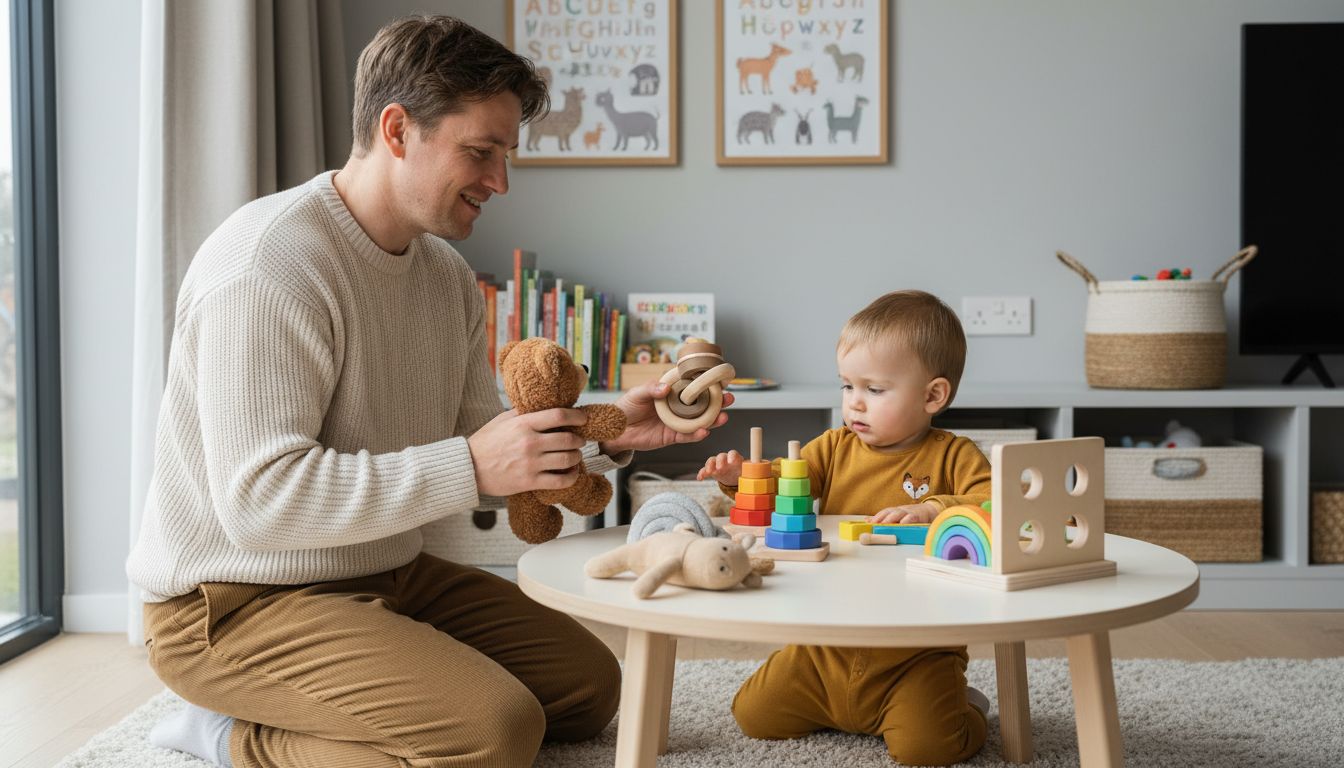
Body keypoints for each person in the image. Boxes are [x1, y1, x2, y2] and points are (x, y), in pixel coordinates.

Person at [126, 15, 730, 768]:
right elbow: (259, 503)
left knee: (587, 687)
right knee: (492, 731)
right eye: (480, 152)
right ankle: (228, 735)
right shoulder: (269, 264)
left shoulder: (444, 275)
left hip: (383, 571)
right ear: (397, 129)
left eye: (505, 156)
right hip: (235, 600)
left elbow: (484, 448)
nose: (500, 182)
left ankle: (351, 703)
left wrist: (606, 434)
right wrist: (471, 465)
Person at [696, 290, 989, 765]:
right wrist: (743, 477)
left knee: (927, 749)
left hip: (917, 653)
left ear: (933, 395)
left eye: (874, 390)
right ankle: (844, 707)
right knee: (753, 715)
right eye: (847, 386)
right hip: (825, 645)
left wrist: (933, 508)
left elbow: (994, 502)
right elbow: (787, 482)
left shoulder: (955, 455)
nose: (855, 404)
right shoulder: (833, 447)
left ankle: (966, 706)